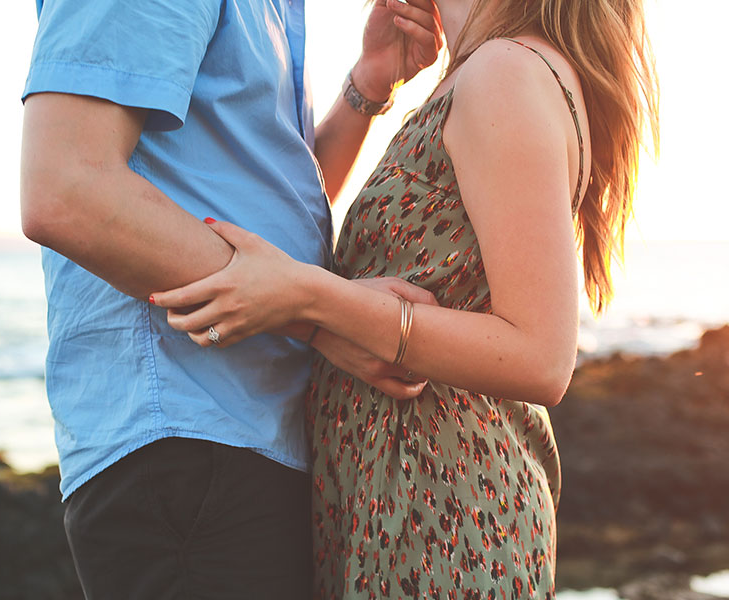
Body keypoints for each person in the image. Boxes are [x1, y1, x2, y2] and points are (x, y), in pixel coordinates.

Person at [151, 0, 660, 596]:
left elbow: (542, 356)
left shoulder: (505, 72)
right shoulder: (491, 72)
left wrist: (313, 300)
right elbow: (289, 222)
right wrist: (368, 86)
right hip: (408, 504)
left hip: (442, 511)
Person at [19, 0, 442, 597]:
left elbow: (265, 202)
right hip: (186, 440)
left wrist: (365, 86)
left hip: (252, 432)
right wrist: (321, 316)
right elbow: (67, 188)